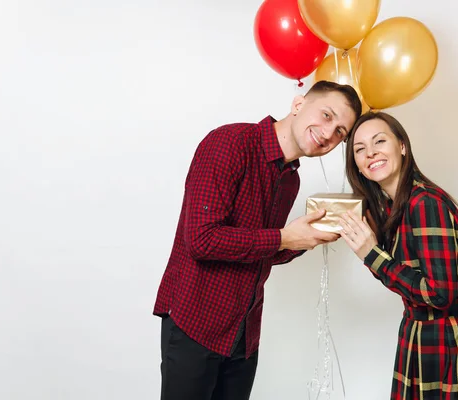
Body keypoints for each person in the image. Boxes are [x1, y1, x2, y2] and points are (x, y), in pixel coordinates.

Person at [153, 80, 362, 400]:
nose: (329, 133)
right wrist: (284, 237)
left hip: (243, 336)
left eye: (340, 133)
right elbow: (201, 240)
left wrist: (302, 240)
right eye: (327, 115)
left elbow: (258, 248)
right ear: (298, 105)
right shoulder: (230, 143)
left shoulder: (291, 178)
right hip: (195, 325)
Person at [338, 111, 458, 399]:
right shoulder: (396, 207)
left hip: (453, 346)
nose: (371, 153)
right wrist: (371, 248)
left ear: (402, 145)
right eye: (360, 149)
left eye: (380, 141)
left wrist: (371, 254)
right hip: (421, 342)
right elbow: (403, 280)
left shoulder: (425, 202)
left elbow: (440, 294)